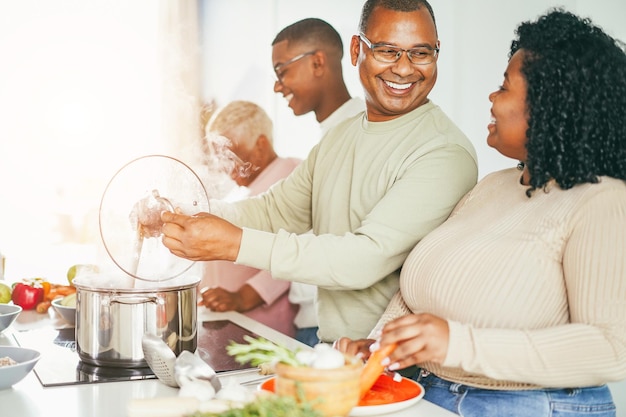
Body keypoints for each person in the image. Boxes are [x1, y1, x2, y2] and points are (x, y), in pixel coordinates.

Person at [335, 9, 626, 417]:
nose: (492, 99)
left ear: (551, 105)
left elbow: (611, 349)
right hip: (429, 392)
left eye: (503, 87)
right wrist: (381, 343)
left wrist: (457, 343)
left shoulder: (603, 202)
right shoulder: (493, 185)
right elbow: (422, 289)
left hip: (529, 405)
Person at [160, 0, 478, 344]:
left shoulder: (444, 152)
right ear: (358, 50)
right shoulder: (339, 137)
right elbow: (272, 211)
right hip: (336, 354)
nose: (404, 69)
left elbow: (363, 259)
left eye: (420, 53)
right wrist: (180, 210)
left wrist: (233, 244)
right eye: (387, 51)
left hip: (397, 369)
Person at [271, 17, 367, 346]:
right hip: (315, 322)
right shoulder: (327, 139)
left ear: (317, 62)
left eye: (282, 70)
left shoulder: (363, 136)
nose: (277, 85)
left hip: (344, 334)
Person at [199, 101, 300, 337]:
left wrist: (242, 296)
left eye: (229, 153)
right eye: (218, 156)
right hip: (231, 323)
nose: (224, 167)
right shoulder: (239, 189)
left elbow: (297, 251)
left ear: (261, 145)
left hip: (266, 327)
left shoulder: (292, 177)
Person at [271, 17, 365, 131]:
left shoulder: (364, 129)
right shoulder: (336, 130)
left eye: (281, 73)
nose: (276, 88)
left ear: (317, 63)